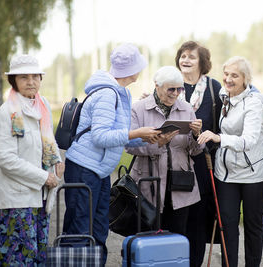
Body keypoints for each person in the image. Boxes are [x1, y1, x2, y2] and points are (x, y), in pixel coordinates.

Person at [62, 43, 160, 265]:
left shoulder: (122, 92)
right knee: (81, 229)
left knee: (98, 228)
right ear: (131, 69)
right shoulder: (107, 94)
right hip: (84, 169)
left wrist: (147, 137)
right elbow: (101, 137)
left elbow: (119, 135)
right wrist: (137, 132)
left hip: (100, 169)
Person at [198, 56, 263, 267]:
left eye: (235, 75)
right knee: (227, 225)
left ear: (245, 79)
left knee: (252, 225)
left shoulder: (254, 103)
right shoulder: (223, 95)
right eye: (226, 74)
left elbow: (249, 140)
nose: (228, 79)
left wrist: (218, 137)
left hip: (254, 173)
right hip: (226, 173)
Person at [0, 54, 64, 265]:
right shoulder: (9, 112)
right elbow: (6, 159)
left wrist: (57, 159)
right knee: (18, 258)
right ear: (14, 81)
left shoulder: (42, 105)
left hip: (40, 196)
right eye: (24, 77)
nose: (31, 81)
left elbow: (46, 138)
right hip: (17, 199)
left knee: (39, 256)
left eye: (35, 76)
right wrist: (44, 177)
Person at [126, 66, 204, 235]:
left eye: (179, 89)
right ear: (157, 86)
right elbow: (129, 145)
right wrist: (158, 143)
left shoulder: (186, 108)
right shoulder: (138, 109)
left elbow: (195, 150)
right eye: (171, 89)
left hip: (180, 182)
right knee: (148, 236)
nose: (176, 93)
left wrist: (197, 135)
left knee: (177, 235)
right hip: (148, 183)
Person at [175, 41, 223, 267]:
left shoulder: (214, 89)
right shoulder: (171, 87)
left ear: (202, 63)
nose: (185, 60)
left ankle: (194, 263)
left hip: (204, 164)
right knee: (176, 219)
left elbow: (223, 125)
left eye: (191, 57)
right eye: (183, 56)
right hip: (174, 164)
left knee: (198, 220)